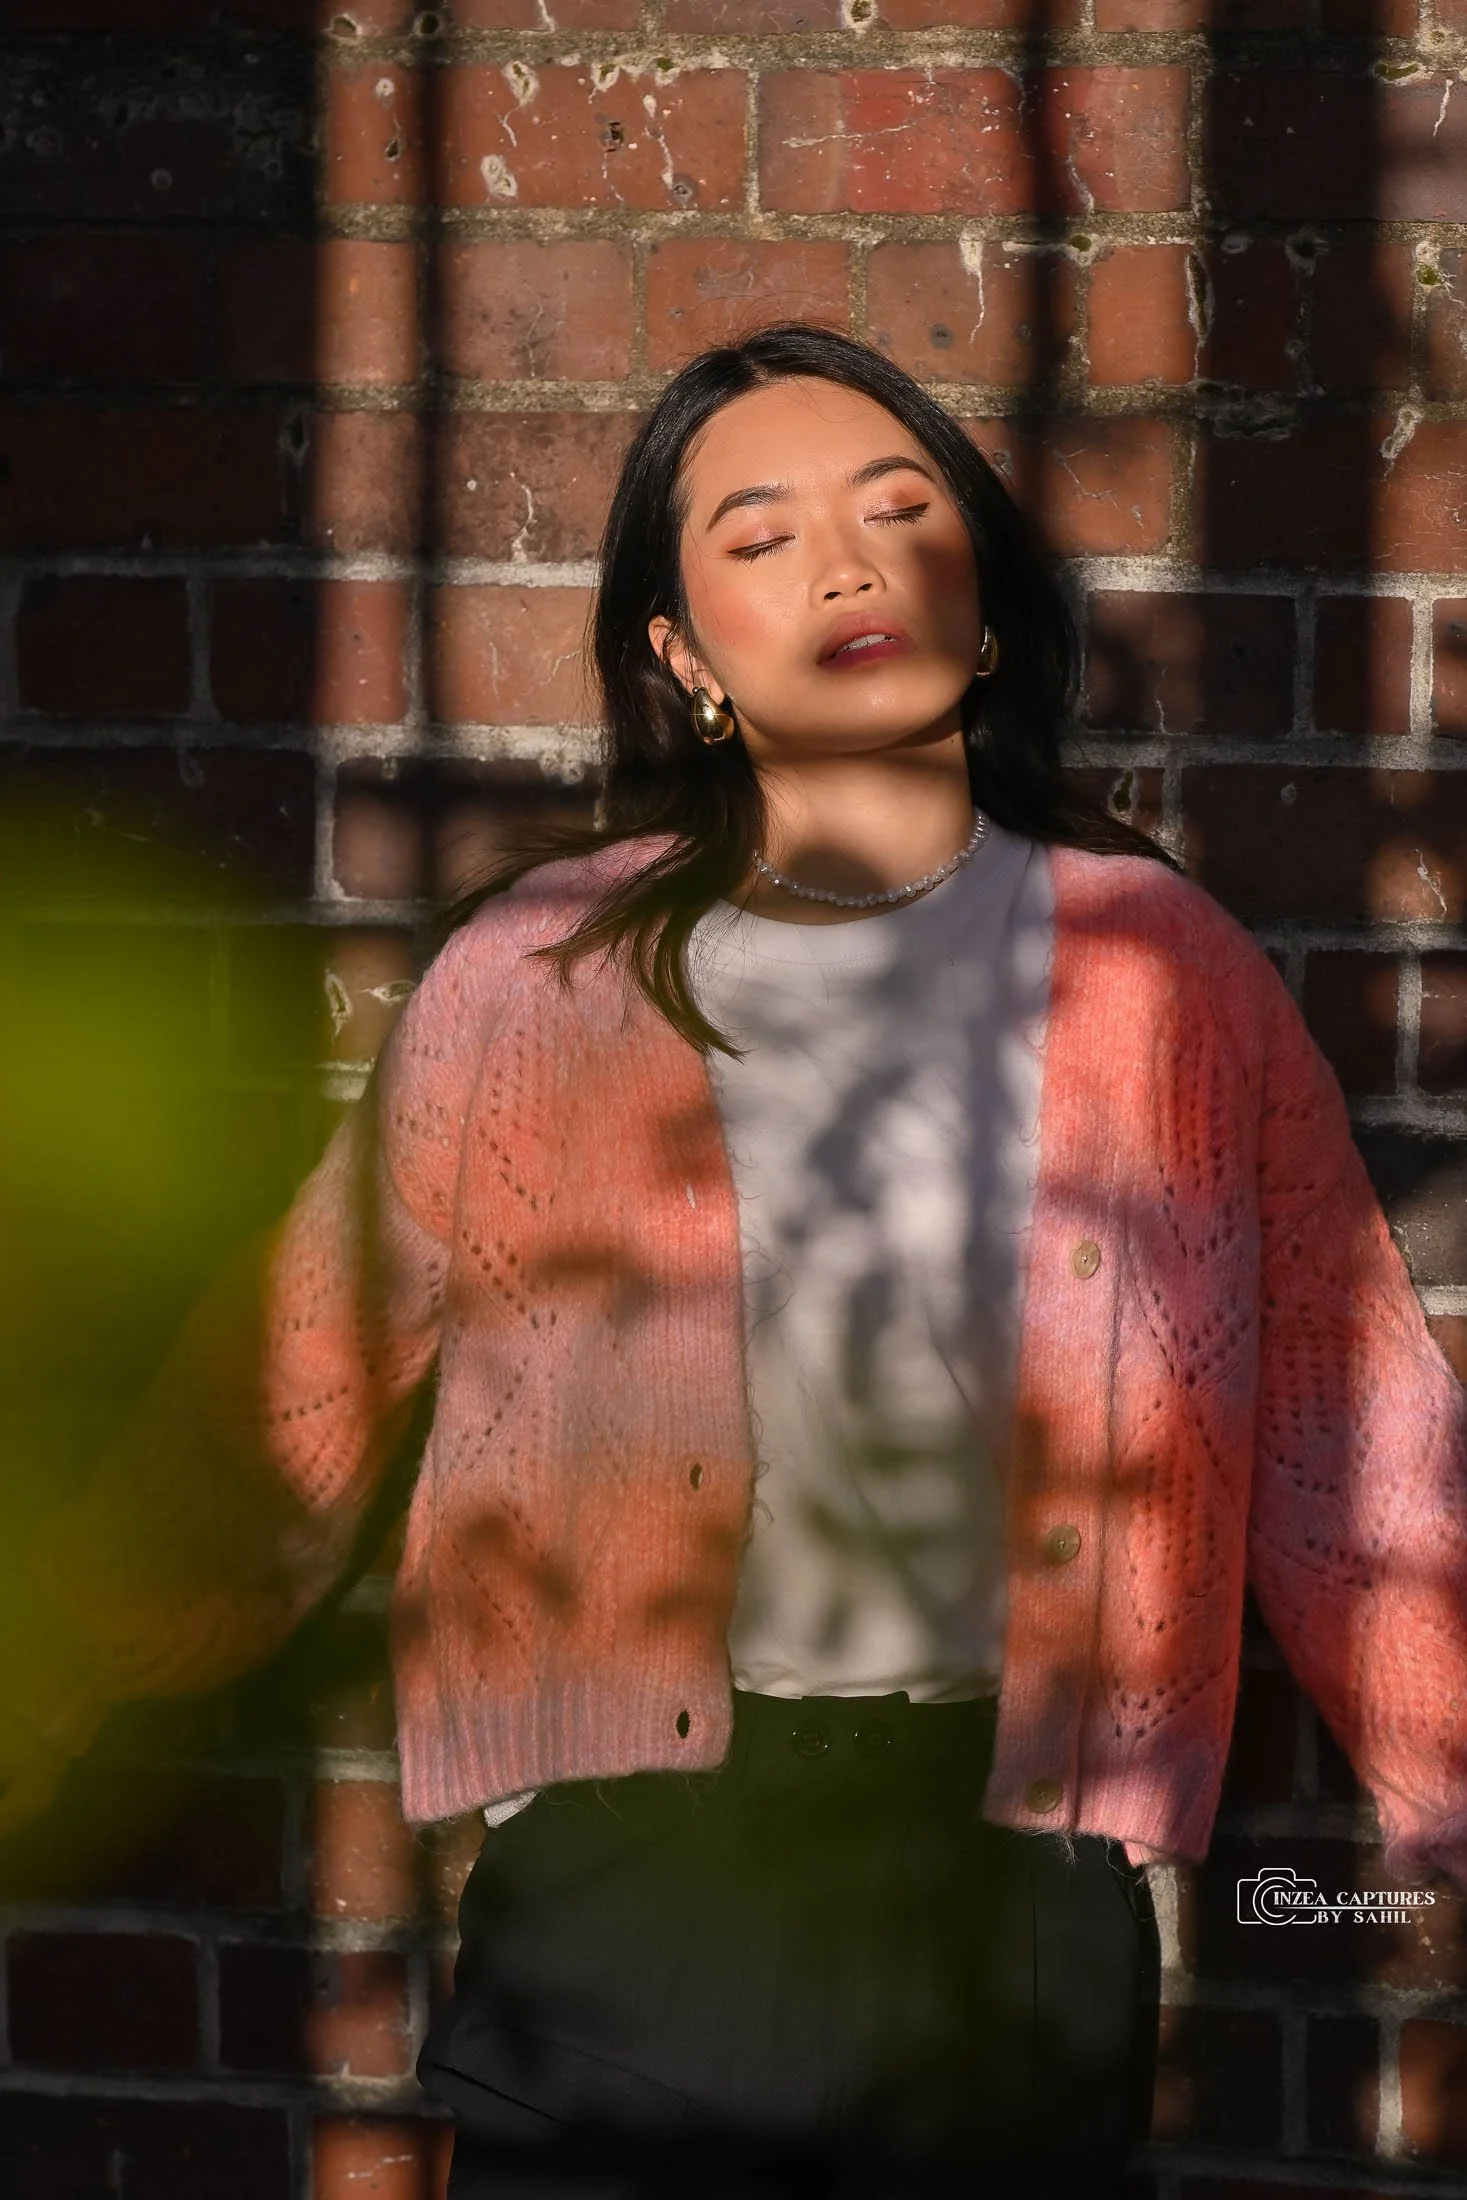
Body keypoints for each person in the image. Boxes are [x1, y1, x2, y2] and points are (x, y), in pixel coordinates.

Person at [2, 322, 1465, 2200]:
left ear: (988, 606)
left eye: (901, 509)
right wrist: (64, 1654)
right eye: (759, 535)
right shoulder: (539, 986)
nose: (848, 562)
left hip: (1005, 1889)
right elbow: (300, 1375)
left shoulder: (1167, 978)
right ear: (681, 657)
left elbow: (1350, 1439)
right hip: (634, 1874)